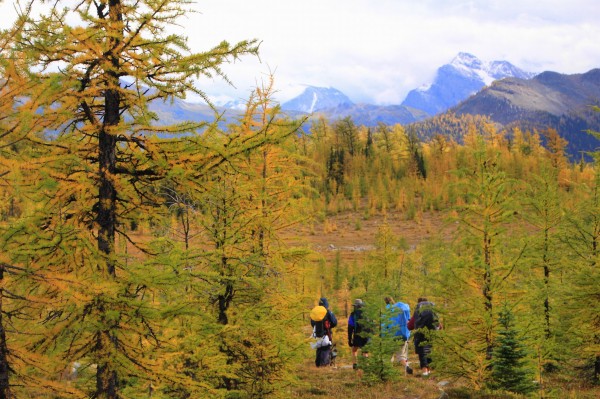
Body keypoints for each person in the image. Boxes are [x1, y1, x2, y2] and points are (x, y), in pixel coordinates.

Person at [411, 297, 440, 377]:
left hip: (420, 332)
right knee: (429, 349)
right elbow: (438, 323)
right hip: (432, 331)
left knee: (422, 350)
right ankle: (429, 371)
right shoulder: (432, 307)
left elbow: (410, 325)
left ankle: (424, 371)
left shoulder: (418, 309)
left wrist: (409, 325)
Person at [384, 296, 413, 375]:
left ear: (385, 303)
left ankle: (389, 373)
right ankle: (406, 366)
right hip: (403, 336)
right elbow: (408, 322)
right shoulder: (401, 310)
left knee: (388, 356)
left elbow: (384, 326)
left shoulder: (387, 312)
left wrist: (383, 337)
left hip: (391, 337)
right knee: (401, 356)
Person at [310, 297, 338, 367]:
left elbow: (312, 323)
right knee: (326, 348)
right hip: (327, 334)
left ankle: (318, 364)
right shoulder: (328, 312)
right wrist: (329, 326)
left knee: (319, 348)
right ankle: (324, 364)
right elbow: (334, 322)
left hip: (317, 334)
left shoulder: (315, 312)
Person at [348, 298, 370, 369]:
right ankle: (366, 366)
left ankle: (355, 364)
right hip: (366, 335)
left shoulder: (353, 314)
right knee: (365, 351)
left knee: (354, 350)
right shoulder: (367, 313)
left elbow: (350, 328)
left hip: (357, 334)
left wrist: (350, 339)